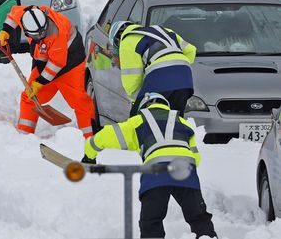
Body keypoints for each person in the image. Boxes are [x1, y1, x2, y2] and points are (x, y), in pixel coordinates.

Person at [83, 92, 217, 239]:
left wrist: (89, 155)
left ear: (144, 107)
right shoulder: (182, 122)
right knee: (199, 217)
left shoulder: (138, 121)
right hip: (185, 170)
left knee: (151, 222)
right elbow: (196, 157)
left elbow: (103, 137)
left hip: (155, 172)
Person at [0, 5, 94, 137]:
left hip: (71, 65)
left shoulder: (56, 32)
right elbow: (14, 13)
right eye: (37, 34)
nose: (42, 35)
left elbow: (57, 63)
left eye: (42, 32)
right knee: (29, 97)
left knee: (81, 102)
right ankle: (25, 135)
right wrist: (5, 31)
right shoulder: (27, 15)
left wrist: (39, 82)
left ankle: (91, 138)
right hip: (44, 62)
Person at [109, 21, 196, 116]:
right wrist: (177, 69)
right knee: (175, 121)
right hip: (184, 79)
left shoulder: (127, 41)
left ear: (117, 41)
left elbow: (131, 81)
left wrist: (138, 101)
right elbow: (191, 50)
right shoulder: (164, 30)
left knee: (138, 120)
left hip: (160, 78)